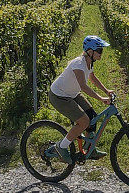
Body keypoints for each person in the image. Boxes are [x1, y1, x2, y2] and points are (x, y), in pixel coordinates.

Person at [47, 35, 114, 163]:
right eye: (99, 50)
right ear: (90, 51)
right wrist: (101, 98)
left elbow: (92, 78)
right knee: (84, 121)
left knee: (92, 117)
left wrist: (106, 91)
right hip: (59, 96)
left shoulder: (88, 63)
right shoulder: (78, 63)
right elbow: (83, 86)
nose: (101, 53)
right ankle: (61, 147)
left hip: (72, 93)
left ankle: (89, 149)